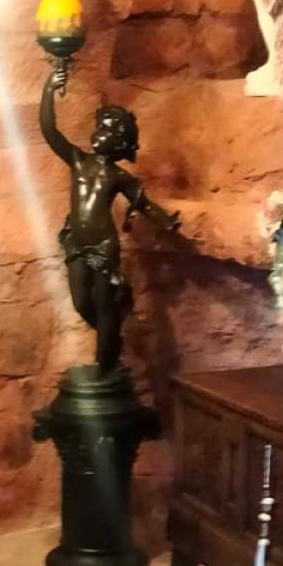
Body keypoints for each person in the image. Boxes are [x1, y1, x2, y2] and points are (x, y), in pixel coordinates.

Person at [38, 70, 180, 375]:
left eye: (107, 129)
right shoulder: (78, 160)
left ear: (120, 143)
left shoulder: (118, 176)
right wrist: (49, 89)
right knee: (81, 302)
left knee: (104, 306)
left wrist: (166, 221)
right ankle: (111, 338)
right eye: (100, 126)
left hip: (103, 247)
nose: (99, 132)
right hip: (76, 244)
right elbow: (49, 130)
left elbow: (144, 204)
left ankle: (104, 366)